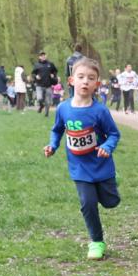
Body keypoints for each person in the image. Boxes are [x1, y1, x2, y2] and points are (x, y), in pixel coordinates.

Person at [44, 58, 121, 260]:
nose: (85, 81)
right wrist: (52, 145)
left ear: (97, 84)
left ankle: (113, 182)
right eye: (81, 77)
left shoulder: (100, 110)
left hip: (102, 165)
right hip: (79, 167)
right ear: (71, 80)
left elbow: (114, 134)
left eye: (91, 78)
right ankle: (96, 241)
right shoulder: (63, 108)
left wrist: (107, 146)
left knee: (111, 202)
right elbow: (57, 130)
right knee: (88, 203)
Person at [32, 50, 59, 117]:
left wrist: (53, 75)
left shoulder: (50, 64)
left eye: (44, 55)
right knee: (39, 98)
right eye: (41, 55)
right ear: (39, 57)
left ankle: (46, 114)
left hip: (48, 85)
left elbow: (55, 71)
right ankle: (41, 105)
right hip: (39, 85)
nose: (43, 56)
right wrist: (36, 76)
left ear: (46, 56)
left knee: (48, 101)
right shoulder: (36, 65)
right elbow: (33, 74)